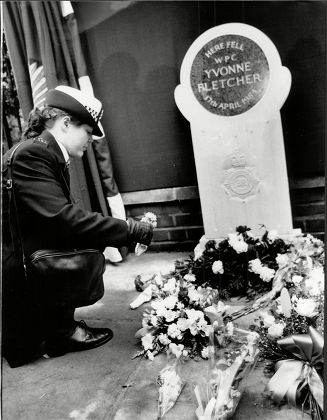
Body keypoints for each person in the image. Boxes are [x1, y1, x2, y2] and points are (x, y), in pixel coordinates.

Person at [2, 85, 153, 368]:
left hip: (29, 269)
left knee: (90, 235)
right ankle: (60, 333)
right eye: (88, 131)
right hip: (19, 285)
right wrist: (129, 230)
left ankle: (61, 328)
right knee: (85, 235)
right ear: (66, 123)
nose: (92, 139)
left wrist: (120, 233)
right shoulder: (33, 155)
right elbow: (63, 218)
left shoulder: (43, 151)